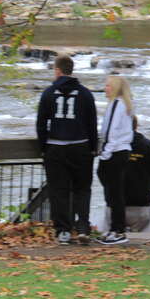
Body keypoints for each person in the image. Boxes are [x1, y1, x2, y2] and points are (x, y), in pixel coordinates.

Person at [36, 54, 98, 246]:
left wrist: (43, 147)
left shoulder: (48, 93)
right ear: (72, 70)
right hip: (80, 146)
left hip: (55, 147)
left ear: (57, 70)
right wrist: (93, 147)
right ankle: (83, 227)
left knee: (59, 190)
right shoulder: (85, 94)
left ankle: (63, 230)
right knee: (82, 189)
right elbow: (92, 124)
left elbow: (41, 123)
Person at [100, 115, 150, 232]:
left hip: (113, 204)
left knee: (113, 240)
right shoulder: (149, 146)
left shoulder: (110, 146)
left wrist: (109, 188)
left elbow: (102, 173)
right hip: (140, 205)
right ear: (136, 126)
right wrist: (145, 187)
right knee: (138, 242)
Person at [96, 75, 134, 245]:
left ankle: (117, 230)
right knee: (115, 191)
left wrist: (104, 153)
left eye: (108, 86)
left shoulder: (117, 105)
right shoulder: (124, 105)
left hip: (115, 152)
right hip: (122, 150)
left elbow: (111, 131)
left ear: (115, 88)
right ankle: (115, 229)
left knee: (114, 192)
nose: (105, 88)